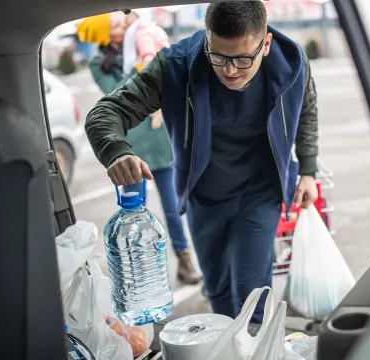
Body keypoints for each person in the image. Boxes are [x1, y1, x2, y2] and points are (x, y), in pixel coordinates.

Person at [85, 2, 319, 322]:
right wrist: (117, 150)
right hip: (204, 194)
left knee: (252, 295)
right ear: (207, 38)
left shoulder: (292, 64)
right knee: (218, 290)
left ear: (265, 45)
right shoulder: (176, 65)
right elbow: (106, 112)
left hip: (260, 192)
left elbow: (306, 111)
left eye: (242, 59)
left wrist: (308, 168)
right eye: (218, 56)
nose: (229, 70)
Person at [85, 10, 200, 285]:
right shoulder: (98, 63)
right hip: (132, 147)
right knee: (134, 214)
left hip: (162, 141)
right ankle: (141, 272)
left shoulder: (143, 41)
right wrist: (144, 66)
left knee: (174, 207)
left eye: (119, 23)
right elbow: (119, 94)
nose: (119, 29)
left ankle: (184, 259)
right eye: (111, 26)